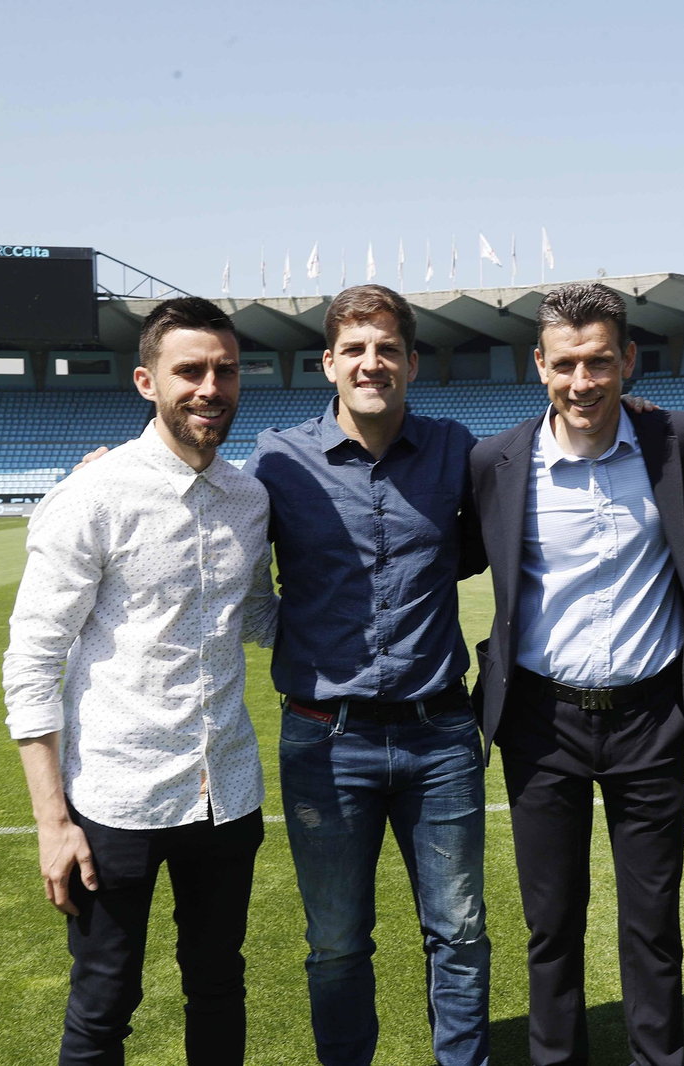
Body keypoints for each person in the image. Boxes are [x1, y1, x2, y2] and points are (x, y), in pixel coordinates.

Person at [3, 296, 278, 1065]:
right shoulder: (92, 494)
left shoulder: (250, 498)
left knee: (220, 984)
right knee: (103, 1001)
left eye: (224, 370)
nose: (209, 387)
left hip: (226, 793)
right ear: (146, 381)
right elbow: (31, 657)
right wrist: (52, 820)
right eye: (188, 370)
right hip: (115, 803)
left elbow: (260, 619)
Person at [240, 284, 493, 1066]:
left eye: (386, 348)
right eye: (354, 349)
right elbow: (229, 556)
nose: (370, 362)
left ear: (412, 362)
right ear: (328, 363)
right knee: (338, 943)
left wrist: (647, 412)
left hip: (440, 738)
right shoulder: (278, 459)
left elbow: (490, 540)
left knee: (458, 933)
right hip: (324, 743)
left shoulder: (458, 450)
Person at [467, 282, 684, 1066]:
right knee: (552, 926)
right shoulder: (496, 461)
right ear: (539, 365)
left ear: (628, 361)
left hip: (652, 718)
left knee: (652, 923)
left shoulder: (677, 441)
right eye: (567, 363)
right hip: (543, 724)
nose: (584, 382)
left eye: (600, 362)